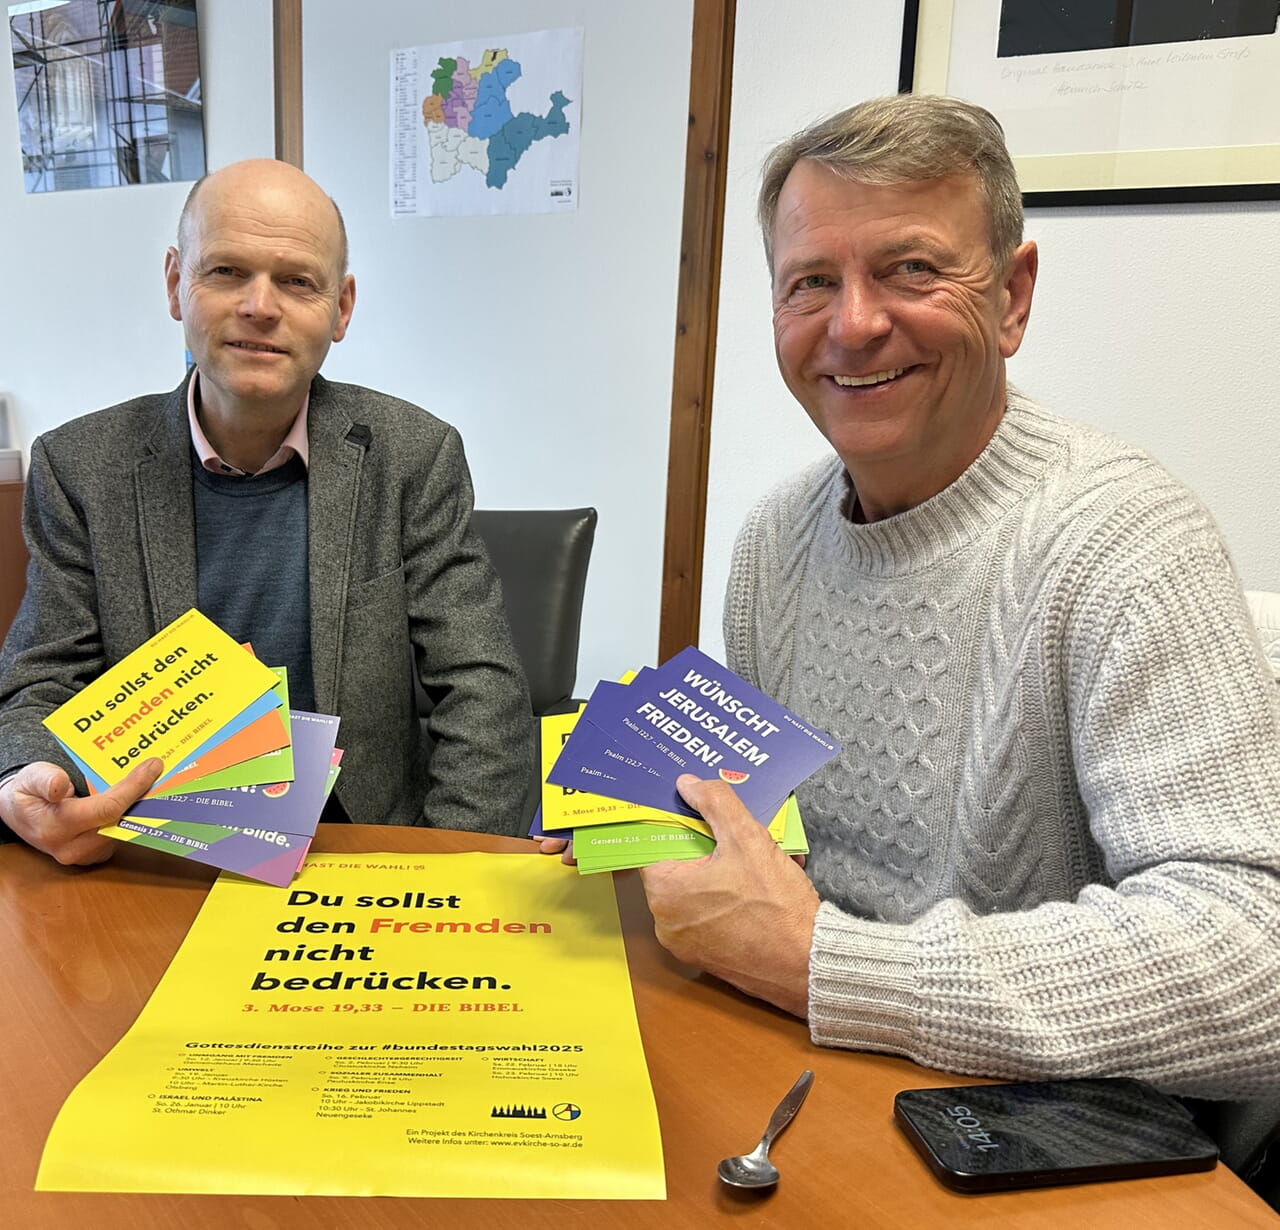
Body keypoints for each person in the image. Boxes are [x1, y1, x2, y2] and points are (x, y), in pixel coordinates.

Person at [553, 95, 1280, 1101]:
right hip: (811, 1075)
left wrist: (825, 963)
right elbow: (784, 848)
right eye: (811, 281)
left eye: (910, 269)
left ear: (1012, 297)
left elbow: (1256, 962)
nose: (852, 324)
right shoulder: (774, 540)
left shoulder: (1124, 539)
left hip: (1015, 1139)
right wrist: (656, 820)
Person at [0, 158, 534, 863]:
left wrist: (446, 867)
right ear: (175, 283)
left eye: (296, 280)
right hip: (156, 852)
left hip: (362, 844)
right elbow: (40, 680)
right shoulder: (80, 468)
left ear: (340, 308)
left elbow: (481, 687)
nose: (259, 305)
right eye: (225, 271)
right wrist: (27, 777)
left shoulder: (413, 456)